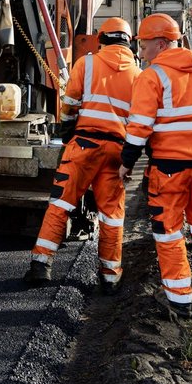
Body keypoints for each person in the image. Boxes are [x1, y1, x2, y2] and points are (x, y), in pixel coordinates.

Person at [117, 13, 192, 321]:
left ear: (160, 44)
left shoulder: (152, 76)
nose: (141, 53)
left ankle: (179, 300)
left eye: (144, 47)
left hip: (170, 168)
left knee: (168, 231)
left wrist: (126, 162)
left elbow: (139, 127)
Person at [23, 18, 141, 292]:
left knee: (61, 204)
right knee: (111, 215)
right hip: (116, 152)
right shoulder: (139, 75)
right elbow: (140, 120)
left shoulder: (87, 64)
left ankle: (41, 265)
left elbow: (70, 103)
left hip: (84, 146)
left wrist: (66, 129)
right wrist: (130, 157)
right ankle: (110, 277)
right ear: (129, 41)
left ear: (101, 38)